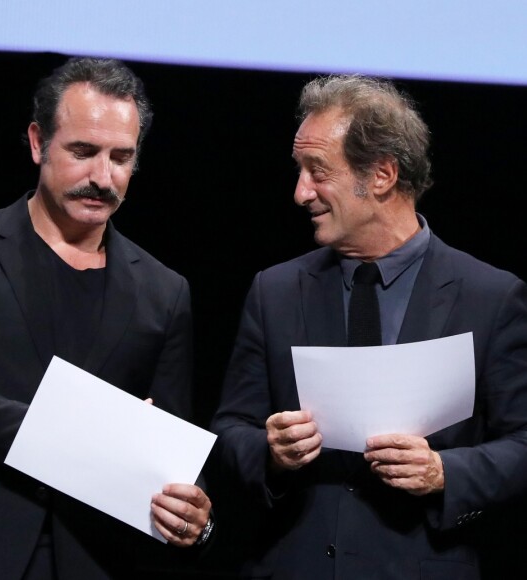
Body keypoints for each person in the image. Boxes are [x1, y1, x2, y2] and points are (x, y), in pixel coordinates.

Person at [211, 75, 527, 579]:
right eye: (300, 171)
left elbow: (522, 442)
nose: (300, 192)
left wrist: (445, 472)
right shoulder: (274, 291)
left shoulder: (489, 296)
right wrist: (269, 452)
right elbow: (228, 433)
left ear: (381, 174)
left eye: (318, 171)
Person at [0, 57, 212, 579]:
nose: (102, 177)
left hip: (97, 557)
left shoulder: (164, 291)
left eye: (121, 157)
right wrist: (73, 437)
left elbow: (173, 449)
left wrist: (197, 517)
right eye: (83, 152)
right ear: (36, 142)